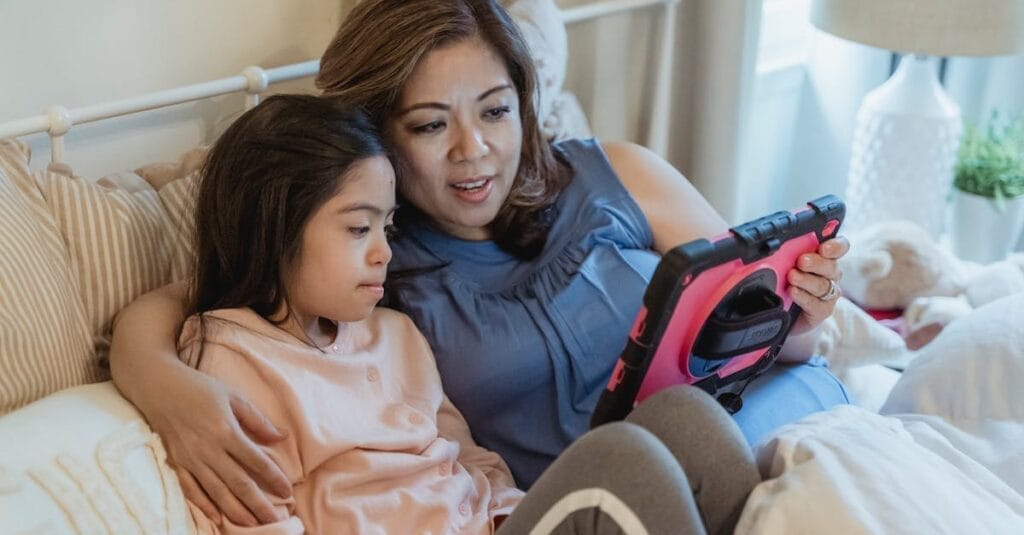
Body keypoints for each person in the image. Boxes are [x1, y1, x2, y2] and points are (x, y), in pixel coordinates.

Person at [109, 0, 850, 528]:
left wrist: (802, 316)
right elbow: (207, 295)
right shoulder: (368, 262)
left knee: (687, 422)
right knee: (638, 452)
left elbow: (761, 330)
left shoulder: (614, 172)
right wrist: (164, 383)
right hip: (598, 493)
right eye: (431, 124)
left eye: (495, 110)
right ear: (377, 138)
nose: (474, 150)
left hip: (752, 423)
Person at [173, 92, 760, 534]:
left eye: (387, 225)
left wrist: (506, 508)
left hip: (490, 524)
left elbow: (469, 455)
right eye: (359, 228)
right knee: (621, 463)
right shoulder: (233, 360)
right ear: (273, 230)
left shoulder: (394, 332)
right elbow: (255, 518)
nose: (384, 250)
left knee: (686, 418)